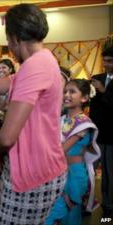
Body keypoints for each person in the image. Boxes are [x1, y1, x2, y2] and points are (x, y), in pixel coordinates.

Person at [0, 4, 67, 224]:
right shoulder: (44, 60)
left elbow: (8, 136)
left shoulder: (34, 66)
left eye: (8, 40)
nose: (8, 47)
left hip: (31, 172)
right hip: (44, 167)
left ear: (15, 38)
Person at [46, 79, 100, 225]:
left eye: (72, 91)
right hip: (57, 170)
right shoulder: (61, 119)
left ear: (84, 98)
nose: (66, 95)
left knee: (68, 216)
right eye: (65, 91)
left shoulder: (83, 123)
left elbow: (60, 150)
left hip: (73, 174)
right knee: (54, 214)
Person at [89, 46, 113, 217]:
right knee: (88, 170)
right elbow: (90, 104)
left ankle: (108, 209)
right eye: (104, 60)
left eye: (109, 61)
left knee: (109, 175)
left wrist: (104, 92)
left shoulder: (102, 85)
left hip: (112, 136)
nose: (105, 64)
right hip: (96, 134)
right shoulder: (97, 78)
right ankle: (86, 203)